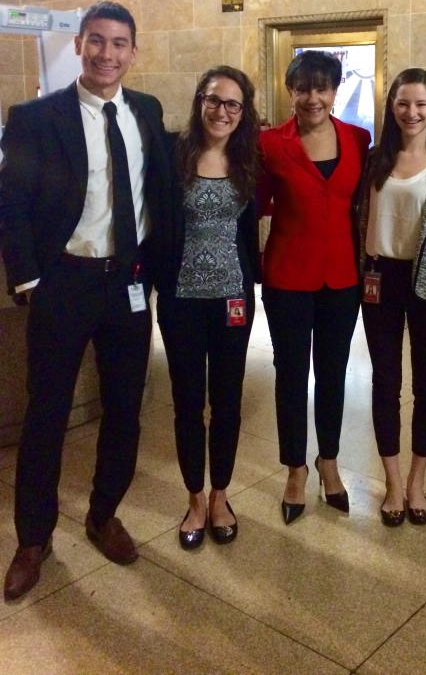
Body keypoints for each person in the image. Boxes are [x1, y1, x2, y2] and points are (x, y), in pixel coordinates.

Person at [1, 1, 169, 601]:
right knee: (46, 414)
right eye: (96, 41)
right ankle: (32, 538)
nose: (106, 54)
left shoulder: (146, 111)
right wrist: (29, 281)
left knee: (125, 408)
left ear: (133, 51)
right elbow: (11, 203)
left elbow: (159, 193)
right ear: (78, 45)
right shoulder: (35, 118)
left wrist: (156, 273)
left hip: (125, 281)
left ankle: (103, 515)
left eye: (119, 43)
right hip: (64, 283)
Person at [259, 50, 370, 524]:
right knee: (289, 376)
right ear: (291, 91)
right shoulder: (268, 143)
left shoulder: (358, 139)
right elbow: (255, 203)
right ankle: (295, 469)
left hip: (341, 278)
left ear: (335, 90)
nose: (312, 97)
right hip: (286, 277)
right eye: (303, 88)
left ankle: (329, 461)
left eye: (322, 87)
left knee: (333, 373)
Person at [358, 69, 426, 526]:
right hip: (379, 279)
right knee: (385, 382)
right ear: (392, 108)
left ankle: (418, 481)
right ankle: (391, 481)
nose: (412, 113)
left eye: (421, 104)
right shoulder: (372, 160)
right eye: (403, 103)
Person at [156, 67, 260, 550]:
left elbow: (248, 236)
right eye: (214, 101)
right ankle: (194, 498)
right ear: (200, 102)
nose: (222, 112)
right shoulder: (172, 155)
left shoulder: (249, 162)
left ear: (244, 112)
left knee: (228, 403)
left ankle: (221, 496)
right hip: (180, 301)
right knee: (187, 403)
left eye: (233, 104)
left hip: (233, 302)